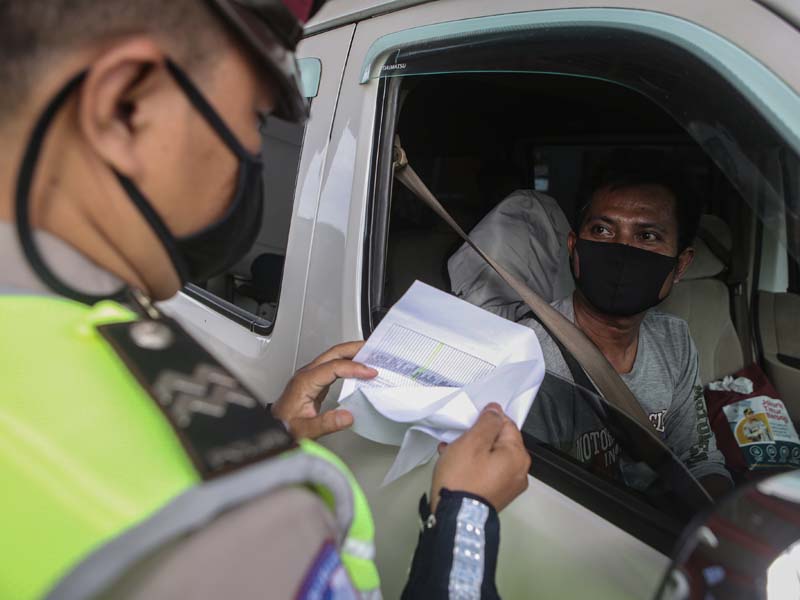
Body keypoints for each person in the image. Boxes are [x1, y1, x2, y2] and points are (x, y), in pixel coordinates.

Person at [0, 1, 530, 598]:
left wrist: (272, 433)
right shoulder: (221, 523)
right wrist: (464, 519)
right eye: (253, 123)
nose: (253, 162)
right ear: (125, 108)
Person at [520, 159, 732, 498]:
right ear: (574, 248)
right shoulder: (530, 354)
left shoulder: (674, 340)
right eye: (602, 231)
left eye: (647, 236)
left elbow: (698, 460)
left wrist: (722, 521)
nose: (623, 250)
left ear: (680, 266)